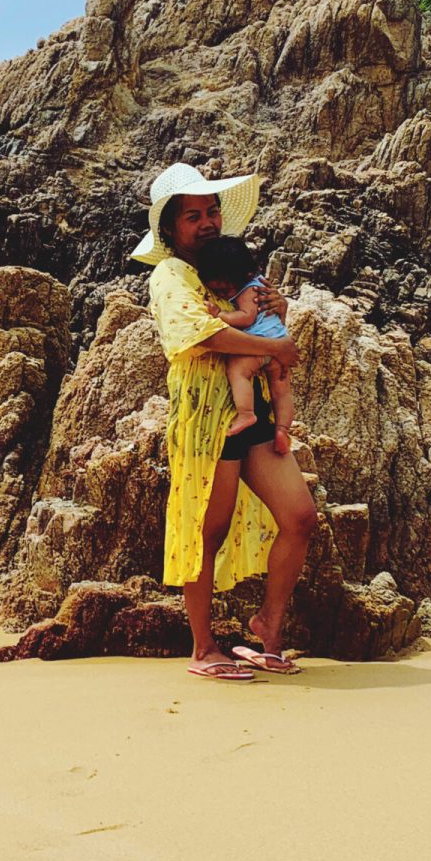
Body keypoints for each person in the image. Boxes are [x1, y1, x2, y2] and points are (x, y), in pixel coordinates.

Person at [131, 163, 320, 681]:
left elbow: (252, 319)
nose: (209, 221)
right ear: (170, 228)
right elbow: (198, 335)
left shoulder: (228, 268)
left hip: (250, 410)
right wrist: (273, 345)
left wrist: (272, 308)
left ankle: (268, 628)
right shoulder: (170, 275)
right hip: (205, 421)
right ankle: (203, 647)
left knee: (300, 518)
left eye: (212, 210)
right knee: (207, 531)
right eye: (194, 215)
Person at [195, 235, 295, 457]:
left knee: (237, 370)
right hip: (279, 342)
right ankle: (282, 430)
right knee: (282, 392)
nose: (222, 294)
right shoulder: (257, 282)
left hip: (262, 344)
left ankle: (246, 413)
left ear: (244, 276)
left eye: (225, 289)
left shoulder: (249, 290)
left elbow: (247, 318)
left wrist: (221, 314)